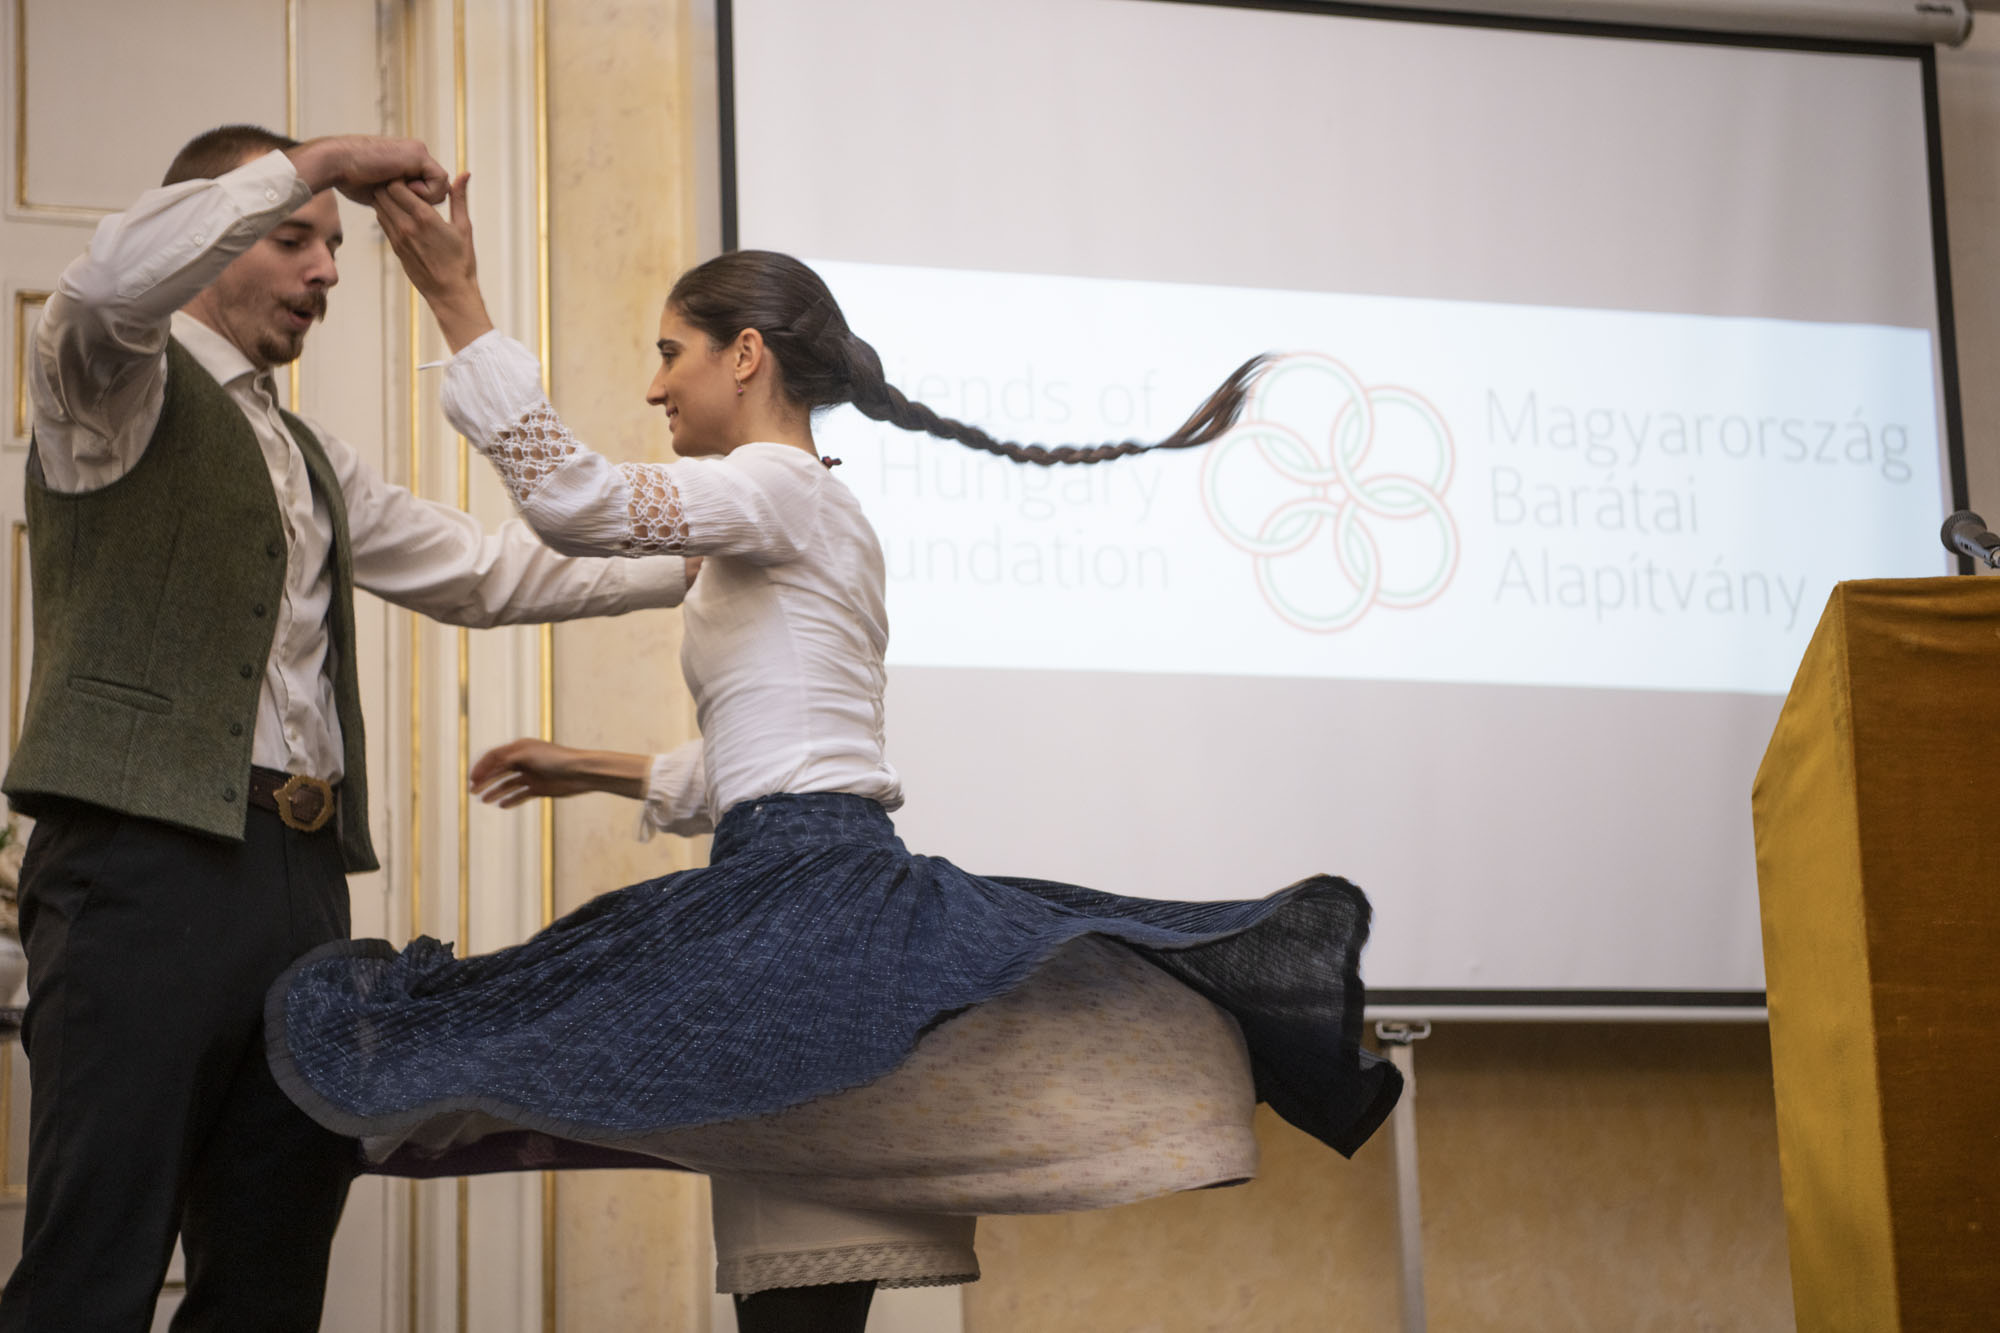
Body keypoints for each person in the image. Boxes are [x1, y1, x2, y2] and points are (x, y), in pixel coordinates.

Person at [268, 176, 1402, 1333]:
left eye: (669, 353)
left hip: (801, 917)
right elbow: (773, 746)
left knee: (526, 1068)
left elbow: (573, 501)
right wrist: (595, 764)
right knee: (796, 1291)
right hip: (809, 907)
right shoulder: (800, 513)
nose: (654, 386)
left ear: (744, 355)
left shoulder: (774, 488)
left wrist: (458, 299)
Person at [0, 127, 695, 1333]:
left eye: (331, 247)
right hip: (139, 870)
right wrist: (318, 159)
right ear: (214, 232)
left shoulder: (312, 454)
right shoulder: (106, 383)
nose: (326, 270)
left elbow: (486, 570)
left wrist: (703, 552)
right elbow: (107, 285)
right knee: (93, 1269)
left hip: (301, 883)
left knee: (270, 1273)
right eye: (293, 238)